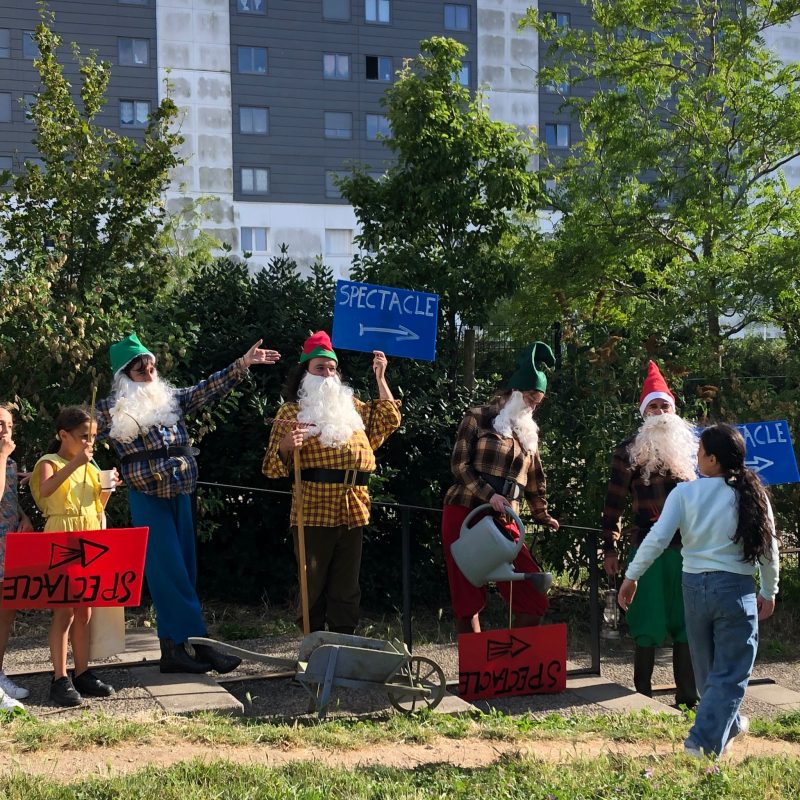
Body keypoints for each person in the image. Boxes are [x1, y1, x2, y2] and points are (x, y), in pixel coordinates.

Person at [95, 333, 281, 674]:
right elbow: (79, 439)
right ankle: (199, 644)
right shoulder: (110, 409)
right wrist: (78, 472)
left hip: (182, 492)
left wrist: (243, 363)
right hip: (148, 496)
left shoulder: (170, 399)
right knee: (168, 573)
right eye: (141, 370)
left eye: (152, 368)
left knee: (184, 571)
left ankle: (174, 651)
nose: (150, 375)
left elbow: (207, 389)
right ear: (124, 376)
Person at [619, 423, 779, 758]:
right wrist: (769, 589)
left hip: (692, 585)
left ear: (713, 459)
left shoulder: (685, 493)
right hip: (735, 589)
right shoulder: (752, 494)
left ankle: (730, 725)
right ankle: (701, 744)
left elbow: (658, 539)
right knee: (732, 669)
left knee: (707, 669)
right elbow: (768, 548)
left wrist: (632, 576)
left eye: (700, 451)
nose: (696, 456)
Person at [262, 331, 400, 634]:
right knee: (312, 583)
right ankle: (313, 645)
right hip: (313, 509)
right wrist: (286, 444)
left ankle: (343, 645)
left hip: (354, 507)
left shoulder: (351, 408)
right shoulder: (291, 412)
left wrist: (381, 377)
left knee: (347, 587)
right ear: (305, 373)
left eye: (331, 368)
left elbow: (389, 419)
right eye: (320, 368)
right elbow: (271, 467)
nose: (327, 374)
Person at [441, 341, 560, 635]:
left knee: (532, 597)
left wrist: (542, 514)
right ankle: (477, 673)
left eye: (538, 401)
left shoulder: (528, 433)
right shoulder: (477, 416)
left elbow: (535, 481)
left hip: (506, 521)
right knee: (467, 599)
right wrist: (489, 494)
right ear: (515, 392)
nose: (534, 405)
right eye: (531, 397)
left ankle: (507, 663)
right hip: (466, 513)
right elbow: (459, 466)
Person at [601, 361, 699, 707]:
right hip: (648, 547)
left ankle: (688, 697)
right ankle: (641, 695)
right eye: (653, 407)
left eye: (664, 406)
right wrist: (610, 549)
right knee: (648, 619)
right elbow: (612, 504)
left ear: (674, 410)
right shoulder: (628, 451)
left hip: (691, 548)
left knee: (689, 620)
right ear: (644, 413)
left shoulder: (695, 449)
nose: (659, 412)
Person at [30, 407, 117, 707]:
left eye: (92, 437)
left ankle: (83, 672)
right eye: (83, 437)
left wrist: (108, 487)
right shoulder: (49, 462)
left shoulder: (91, 467)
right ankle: (59, 677)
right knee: (64, 610)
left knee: (85, 610)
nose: (88, 443)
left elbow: (98, 506)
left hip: (90, 535)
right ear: (63, 435)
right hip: (61, 535)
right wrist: (77, 463)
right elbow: (45, 490)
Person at [0, 403, 34, 710]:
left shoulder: (8, 461)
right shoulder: (3, 458)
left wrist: (23, 516)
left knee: (6, 610)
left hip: (8, 541)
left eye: (8, 425)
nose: (3, 430)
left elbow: (8, 497)